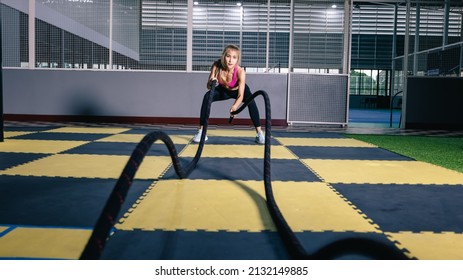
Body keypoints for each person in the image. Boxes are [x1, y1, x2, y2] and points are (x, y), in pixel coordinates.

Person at [193, 44, 265, 144]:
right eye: (228, 56)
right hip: (223, 90)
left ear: (237, 59)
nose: (230, 60)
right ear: (223, 56)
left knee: (251, 101)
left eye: (234, 57)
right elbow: (208, 86)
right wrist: (211, 81)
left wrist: (235, 107)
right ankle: (202, 132)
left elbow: (240, 95)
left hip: (238, 91)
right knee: (207, 97)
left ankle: (259, 133)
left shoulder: (240, 72)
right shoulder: (216, 66)